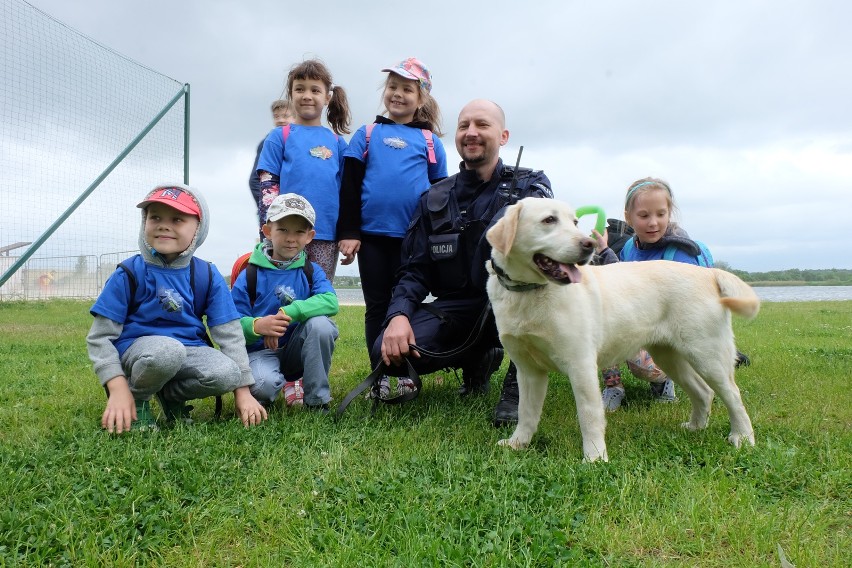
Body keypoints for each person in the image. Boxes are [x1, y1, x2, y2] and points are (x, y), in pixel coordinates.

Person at [375, 99, 552, 426]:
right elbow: (414, 271)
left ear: (503, 136)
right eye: (464, 126)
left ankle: (518, 387)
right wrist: (398, 316)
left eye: (482, 125)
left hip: (515, 302)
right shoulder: (434, 198)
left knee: (539, 293)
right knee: (386, 351)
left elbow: (544, 245)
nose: (471, 132)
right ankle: (480, 358)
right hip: (459, 309)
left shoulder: (531, 186)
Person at [87, 184, 268, 433]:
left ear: (198, 228)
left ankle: (170, 396)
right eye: (155, 217)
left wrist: (244, 390)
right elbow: (99, 338)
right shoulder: (128, 272)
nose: (163, 225)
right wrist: (117, 386)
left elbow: (230, 333)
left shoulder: (206, 273)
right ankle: (136, 398)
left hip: (188, 349)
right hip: (140, 353)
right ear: (144, 222)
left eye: (177, 219)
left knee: (228, 373)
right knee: (166, 351)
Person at [337, 57, 448, 397]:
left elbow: (441, 194)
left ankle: (406, 373)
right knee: (378, 305)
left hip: (414, 241)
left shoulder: (431, 142)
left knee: (407, 306)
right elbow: (350, 185)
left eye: (407, 89)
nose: (397, 94)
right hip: (371, 238)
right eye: (393, 87)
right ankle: (381, 374)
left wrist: (438, 240)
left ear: (421, 98)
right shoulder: (367, 134)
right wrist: (349, 232)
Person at [597, 177, 716, 411]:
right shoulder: (631, 247)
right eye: (644, 216)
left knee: (641, 363)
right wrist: (603, 250)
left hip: (674, 331)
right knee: (598, 326)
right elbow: (623, 280)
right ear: (628, 217)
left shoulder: (681, 253)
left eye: (660, 214)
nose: (653, 223)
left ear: (669, 213)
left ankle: (666, 379)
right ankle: (613, 387)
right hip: (642, 322)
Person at [231, 193, 339, 413]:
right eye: (283, 230)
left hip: (296, 351)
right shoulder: (249, 273)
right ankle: (268, 388)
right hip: (261, 352)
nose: (291, 238)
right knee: (263, 387)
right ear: (268, 231)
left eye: (299, 231)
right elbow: (231, 324)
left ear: (310, 236)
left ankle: (317, 402)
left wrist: (288, 313)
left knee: (321, 325)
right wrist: (258, 326)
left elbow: (330, 302)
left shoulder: (311, 271)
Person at [256, 59, 351, 281]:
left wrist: (348, 232)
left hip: (325, 233)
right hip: (285, 233)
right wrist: (271, 228)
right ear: (291, 95)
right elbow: (268, 185)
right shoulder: (279, 137)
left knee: (318, 290)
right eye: (300, 89)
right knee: (282, 290)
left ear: (327, 97)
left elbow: (348, 192)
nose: (307, 95)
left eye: (315, 90)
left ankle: (319, 319)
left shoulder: (337, 143)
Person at [249, 99, 293, 236]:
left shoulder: (297, 142)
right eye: (276, 116)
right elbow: (255, 180)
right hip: (273, 211)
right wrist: (268, 207)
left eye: (285, 116)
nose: (280, 120)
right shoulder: (268, 142)